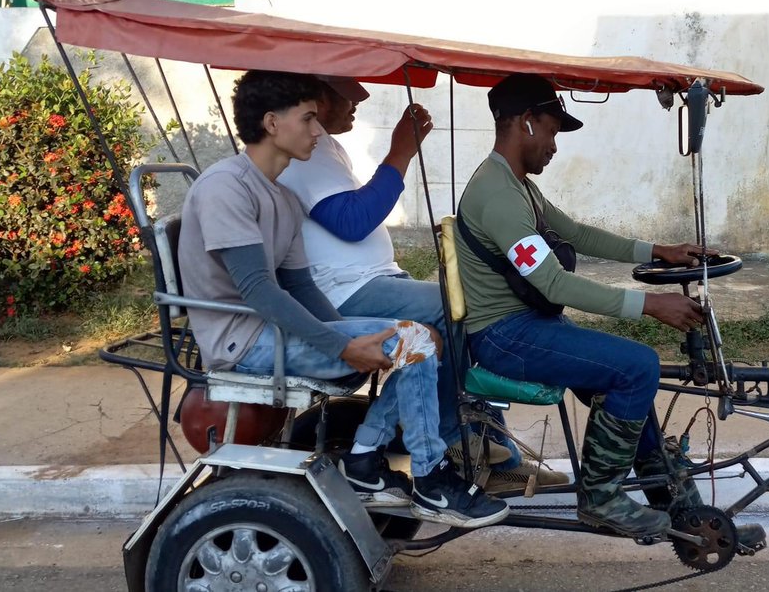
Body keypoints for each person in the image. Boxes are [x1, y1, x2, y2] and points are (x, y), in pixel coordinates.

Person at [177, 69, 507, 528]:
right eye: (308, 119)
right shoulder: (225, 187)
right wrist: (343, 345)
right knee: (418, 341)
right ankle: (431, 478)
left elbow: (301, 286)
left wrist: (351, 333)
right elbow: (258, 289)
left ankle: (366, 458)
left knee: (421, 339)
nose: (318, 131)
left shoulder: (281, 196)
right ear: (272, 123)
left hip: (274, 330)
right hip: (245, 343)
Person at [277, 75, 567, 491]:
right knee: (457, 309)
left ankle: (492, 449)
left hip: (371, 279)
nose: (360, 101)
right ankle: (457, 439)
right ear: (318, 98)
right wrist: (401, 150)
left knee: (468, 309)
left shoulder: (325, 145)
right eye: (348, 95)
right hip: (345, 291)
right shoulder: (309, 149)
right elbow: (352, 220)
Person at [455, 73, 710, 538]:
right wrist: (649, 304)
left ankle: (677, 506)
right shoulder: (496, 194)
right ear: (526, 123)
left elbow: (576, 233)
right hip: (504, 336)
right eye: (551, 130)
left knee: (628, 380)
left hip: (525, 325)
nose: (554, 145)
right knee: (637, 367)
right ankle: (601, 499)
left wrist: (657, 250)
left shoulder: (517, 185)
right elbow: (552, 283)